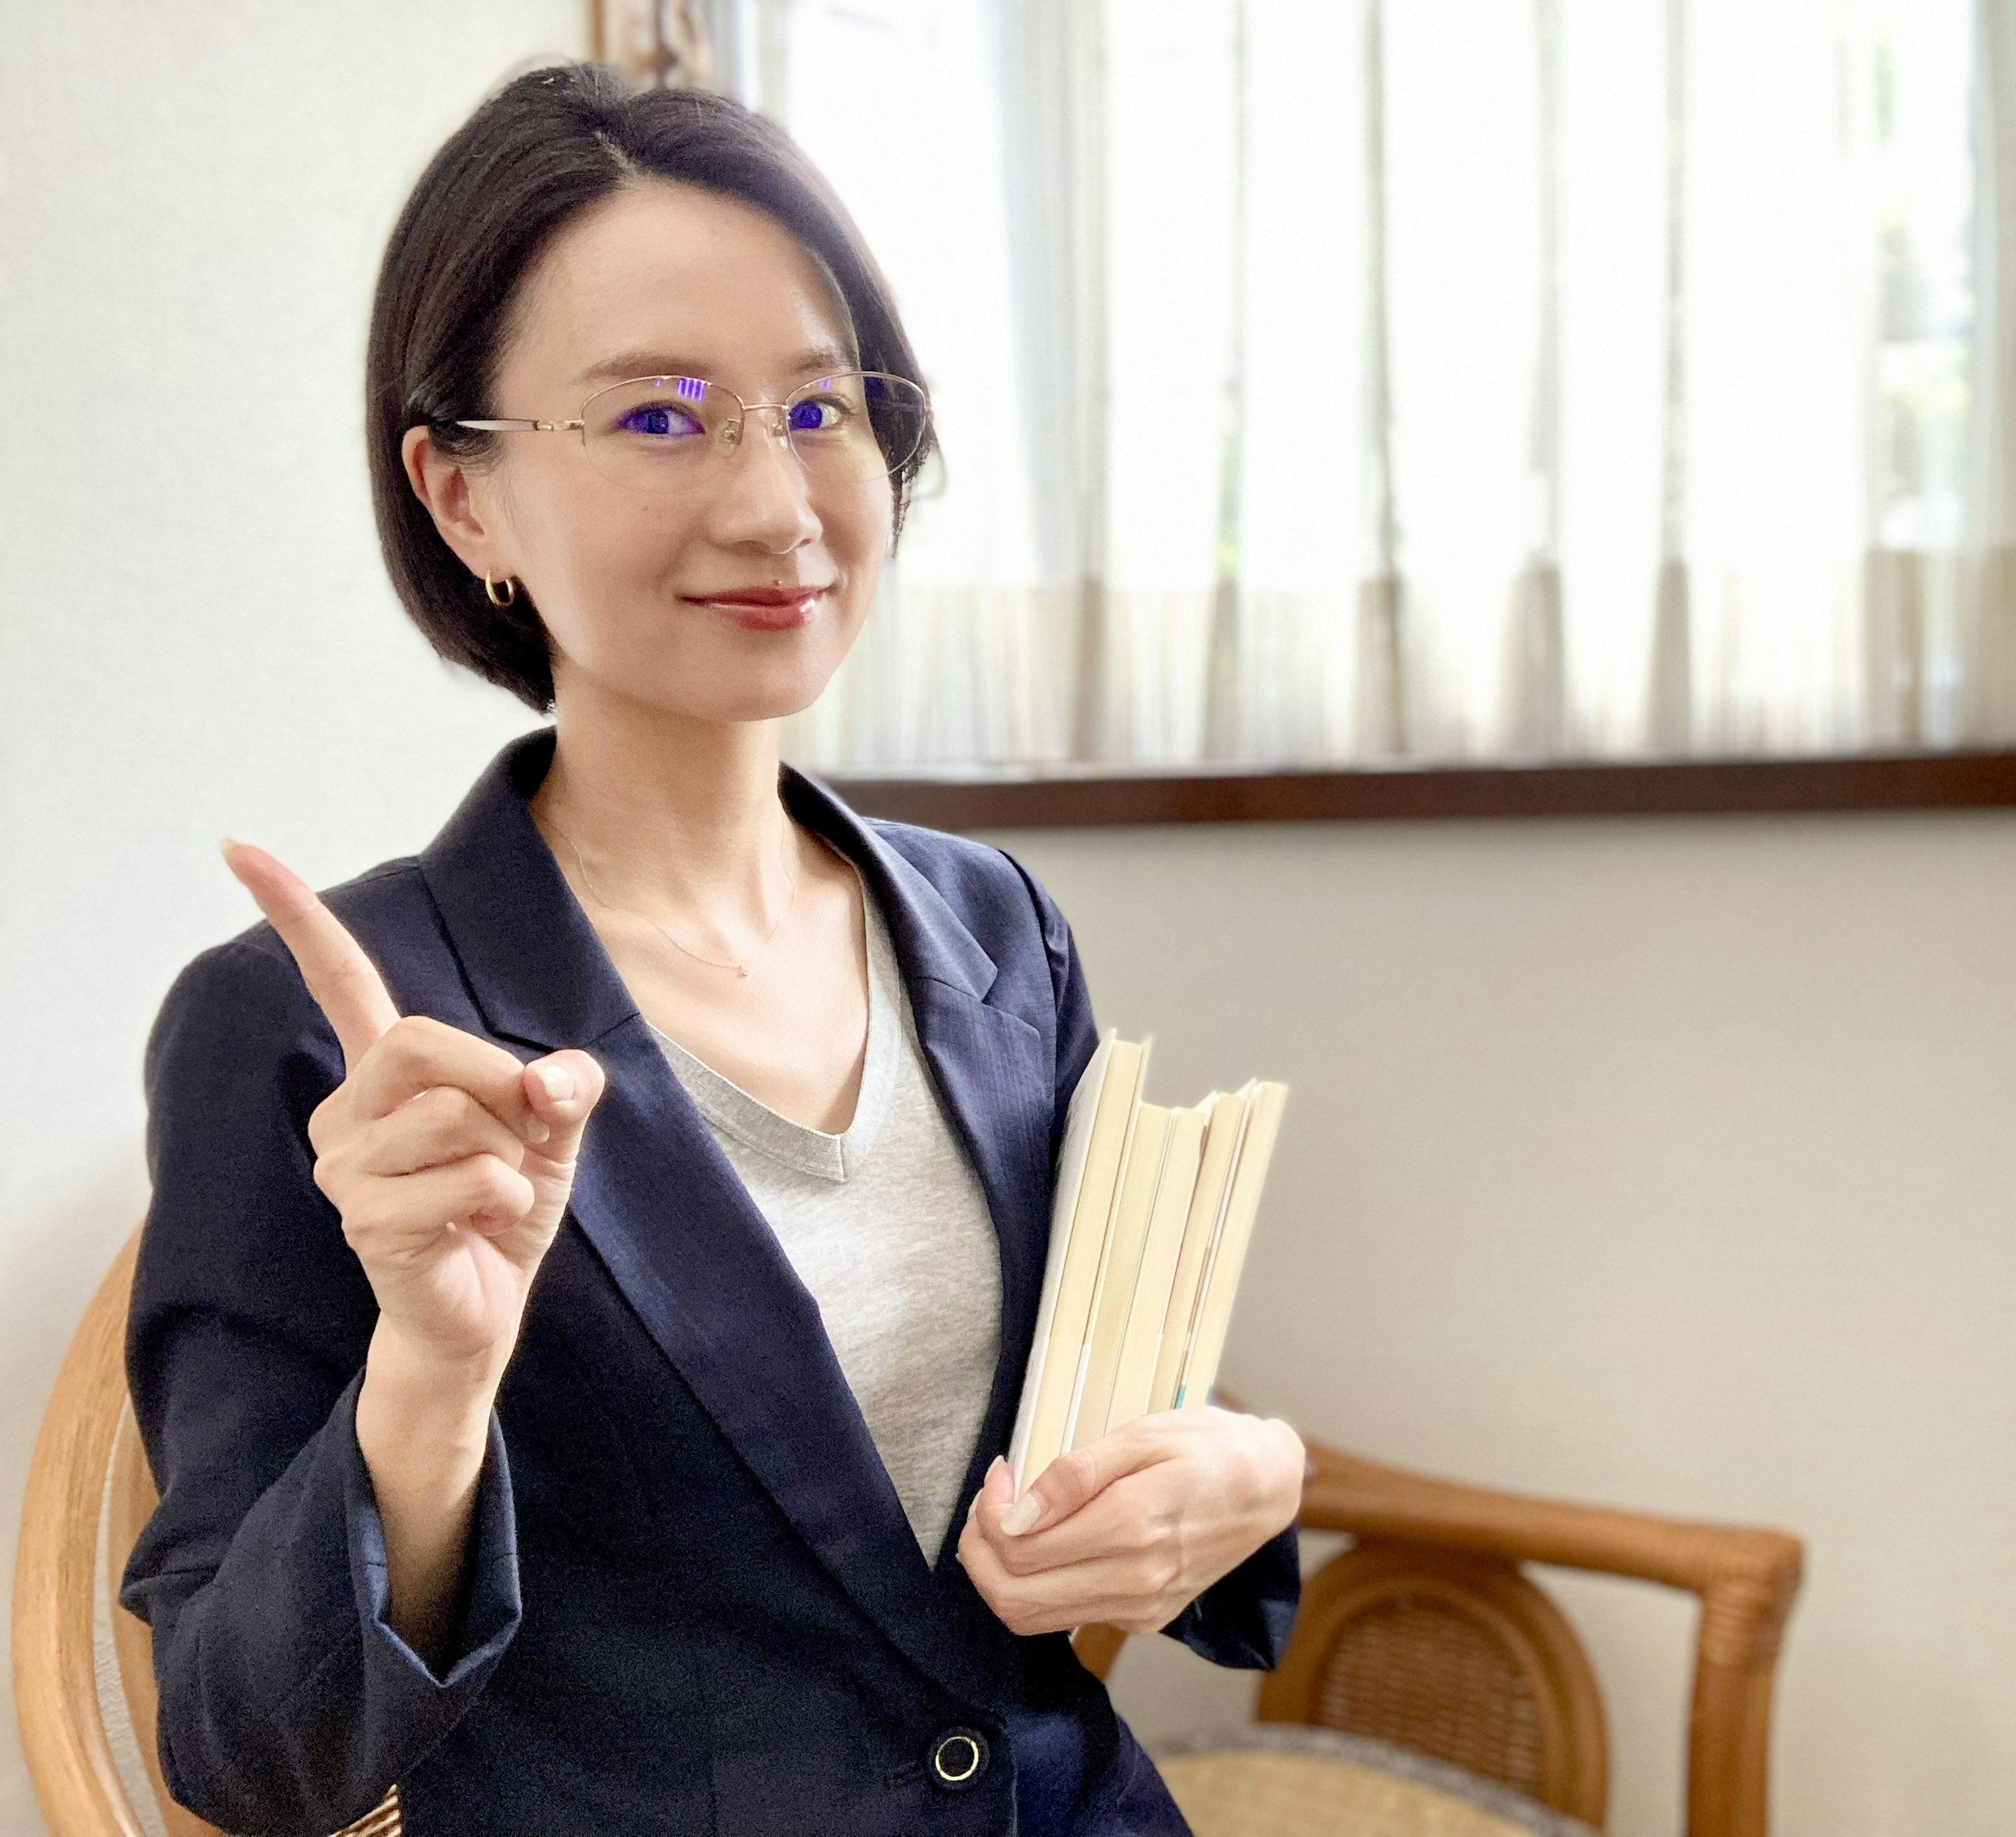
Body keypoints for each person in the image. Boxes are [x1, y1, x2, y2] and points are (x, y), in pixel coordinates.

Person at [122, 62, 1305, 1837]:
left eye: (823, 409)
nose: (780, 506)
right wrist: (430, 1384)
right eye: (663, 419)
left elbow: (1109, 1406)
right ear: (463, 498)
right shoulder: (307, 1035)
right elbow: (245, 1754)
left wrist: (1252, 1472)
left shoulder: (994, 932)